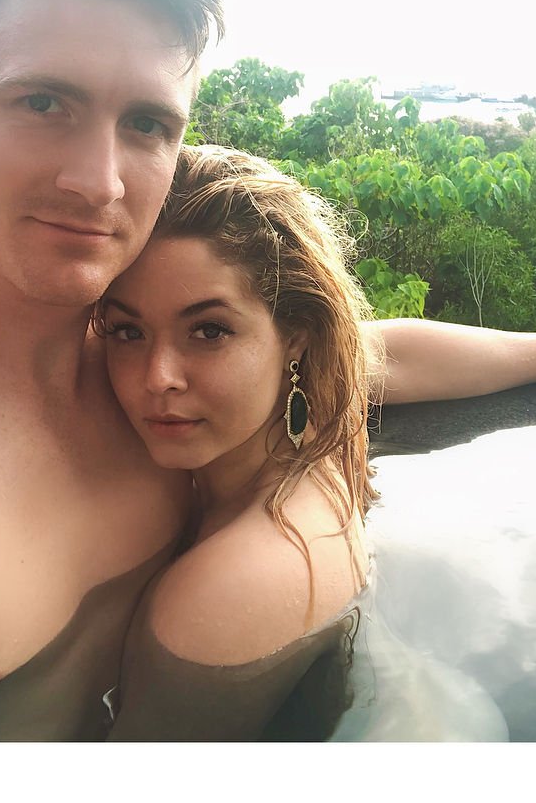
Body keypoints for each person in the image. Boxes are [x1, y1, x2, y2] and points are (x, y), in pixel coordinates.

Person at [0, 0, 536, 741]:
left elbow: (363, 352)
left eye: (147, 123)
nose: (99, 183)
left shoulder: (119, 355)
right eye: (42, 103)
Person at [94, 144, 376, 740]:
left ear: (296, 336)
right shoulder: (317, 443)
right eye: (127, 331)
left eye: (208, 330)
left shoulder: (228, 590)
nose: (158, 378)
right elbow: (400, 349)